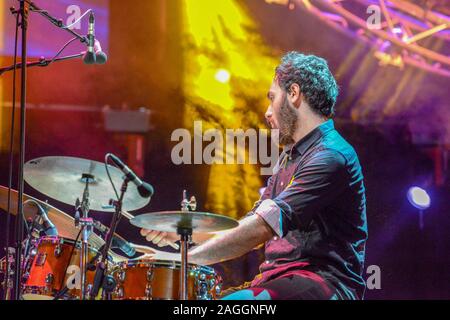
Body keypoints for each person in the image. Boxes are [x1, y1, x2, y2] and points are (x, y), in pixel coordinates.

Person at [140, 51, 368, 300]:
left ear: (293, 93)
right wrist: (185, 233)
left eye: (272, 98)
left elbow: (260, 228)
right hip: (283, 279)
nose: (268, 112)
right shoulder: (291, 157)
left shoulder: (331, 156)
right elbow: (250, 225)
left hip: (324, 283)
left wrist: (182, 260)